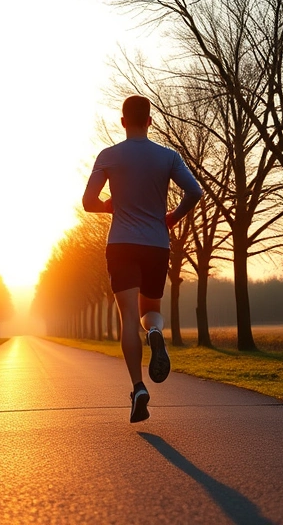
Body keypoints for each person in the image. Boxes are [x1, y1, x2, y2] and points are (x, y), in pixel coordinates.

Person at [82, 95, 203, 423]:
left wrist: (109, 206)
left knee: (128, 319)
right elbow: (195, 192)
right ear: (149, 121)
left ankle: (138, 388)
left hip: (121, 244)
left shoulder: (108, 156)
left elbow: (88, 202)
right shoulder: (168, 156)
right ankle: (156, 333)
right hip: (156, 245)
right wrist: (173, 217)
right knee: (150, 312)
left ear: (123, 122)